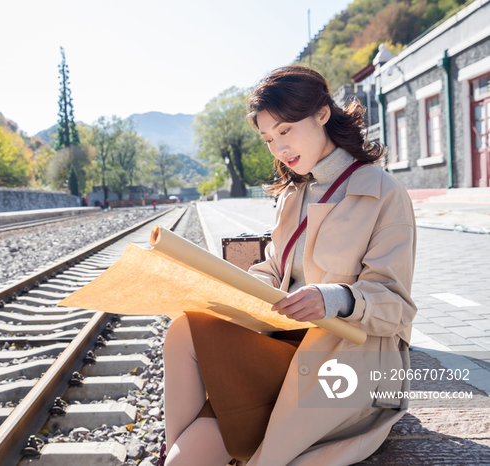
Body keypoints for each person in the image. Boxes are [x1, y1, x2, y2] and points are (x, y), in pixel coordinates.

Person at [161, 66, 416, 466]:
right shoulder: (293, 196)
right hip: (284, 347)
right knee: (183, 330)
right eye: (267, 139)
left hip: (347, 359)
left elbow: (396, 307)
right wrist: (225, 286)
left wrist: (333, 299)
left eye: (285, 130)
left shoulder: (383, 192)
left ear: (321, 114)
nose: (279, 149)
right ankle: (172, 449)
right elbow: (273, 270)